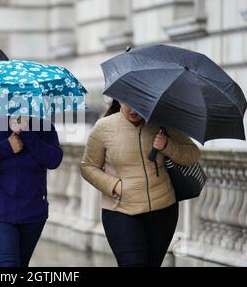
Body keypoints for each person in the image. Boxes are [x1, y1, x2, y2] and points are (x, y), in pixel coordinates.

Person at [80, 100, 200, 267]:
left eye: (136, 101)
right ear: (117, 99)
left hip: (163, 211)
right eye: (126, 101)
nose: (132, 108)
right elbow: (88, 167)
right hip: (120, 211)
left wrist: (167, 145)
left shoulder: (161, 122)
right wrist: (114, 185)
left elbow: (193, 154)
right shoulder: (103, 127)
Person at [0, 116, 63, 267]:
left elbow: (54, 160)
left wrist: (25, 133)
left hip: (33, 212)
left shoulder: (44, 126)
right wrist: (6, 146)